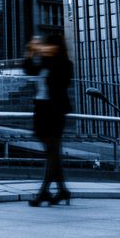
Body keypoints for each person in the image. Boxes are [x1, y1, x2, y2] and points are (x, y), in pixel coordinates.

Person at [24, 30, 74, 206]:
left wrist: (45, 57)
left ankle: (44, 192)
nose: (46, 47)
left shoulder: (64, 65)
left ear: (57, 47)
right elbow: (28, 69)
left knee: (52, 153)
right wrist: (31, 51)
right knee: (52, 153)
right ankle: (62, 190)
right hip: (41, 109)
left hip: (55, 111)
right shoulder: (45, 62)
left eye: (50, 45)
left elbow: (59, 85)